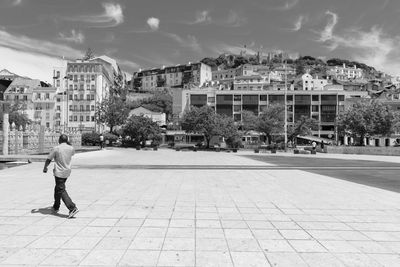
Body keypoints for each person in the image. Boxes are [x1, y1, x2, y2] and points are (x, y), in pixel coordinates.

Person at [43, 134, 78, 219]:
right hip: (67, 171)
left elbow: (49, 159)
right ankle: (56, 206)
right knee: (58, 188)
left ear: (59, 140)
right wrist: (67, 143)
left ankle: (72, 208)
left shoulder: (56, 148)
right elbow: (72, 152)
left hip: (59, 172)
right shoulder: (71, 148)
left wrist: (45, 167)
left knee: (61, 189)